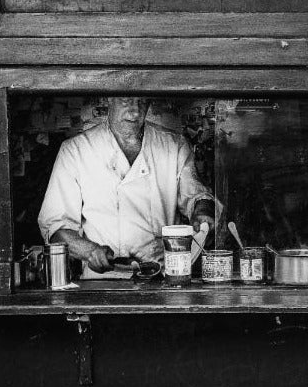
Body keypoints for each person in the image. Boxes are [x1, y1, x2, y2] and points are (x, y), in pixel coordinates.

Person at [38, 96, 217, 275]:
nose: (135, 111)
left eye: (142, 102)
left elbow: (197, 195)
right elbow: (56, 228)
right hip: (103, 281)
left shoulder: (173, 145)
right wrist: (90, 251)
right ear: (109, 99)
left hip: (162, 275)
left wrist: (203, 211)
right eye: (126, 100)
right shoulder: (76, 150)